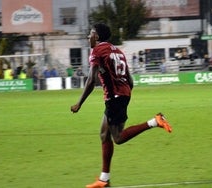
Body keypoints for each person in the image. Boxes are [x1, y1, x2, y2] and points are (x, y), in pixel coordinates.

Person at [70, 23, 173, 188]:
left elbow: (91, 80)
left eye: (90, 34)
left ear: (97, 36)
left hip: (115, 97)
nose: (88, 37)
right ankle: (104, 180)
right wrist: (123, 94)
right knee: (104, 134)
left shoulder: (96, 51)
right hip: (121, 94)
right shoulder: (117, 51)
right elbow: (130, 79)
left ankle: (155, 121)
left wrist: (79, 103)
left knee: (117, 137)